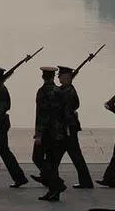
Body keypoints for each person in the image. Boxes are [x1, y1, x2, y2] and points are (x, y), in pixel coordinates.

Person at [56, 64, 94, 189]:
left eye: (61, 75)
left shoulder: (68, 91)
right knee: (57, 156)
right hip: (68, 128)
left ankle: (49, 177)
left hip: (67, 128)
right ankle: (48, 176)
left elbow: (67, 111)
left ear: (67, 77)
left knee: (74, 156)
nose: (59, 77)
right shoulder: (66, 89)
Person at [31, 66, 66, 202]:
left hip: (46, 132)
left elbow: (41, 114)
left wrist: (38, 134)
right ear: (53, 76)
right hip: (57, 132)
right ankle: (54, 192)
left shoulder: (43, 91)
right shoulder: (59, 91)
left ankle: (57, 184)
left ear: (43, 76)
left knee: (37, 158)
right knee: (52, 162)